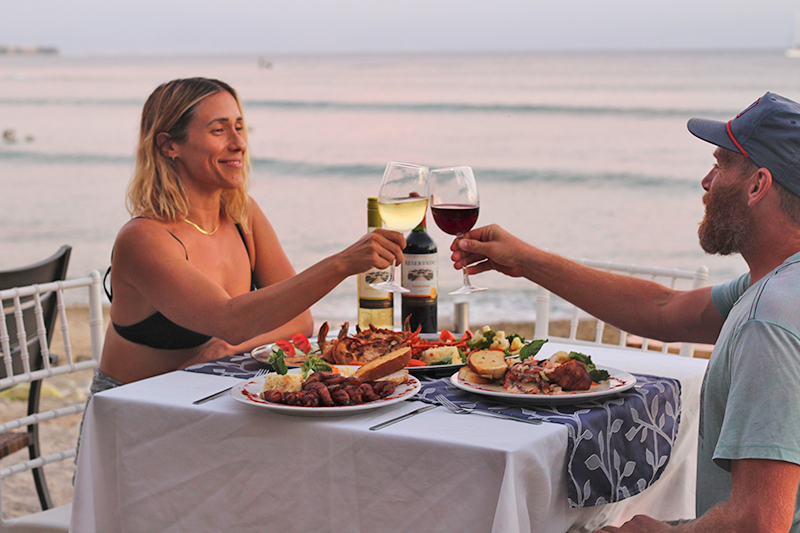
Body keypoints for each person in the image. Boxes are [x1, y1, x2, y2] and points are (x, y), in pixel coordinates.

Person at [451, 92, 800, 532]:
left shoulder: (767, 321)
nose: (706, 181)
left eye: (722, 163)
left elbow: (759, 522)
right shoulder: (773, 288)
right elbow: (663, 309)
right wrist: (526, 261)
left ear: (757, 185)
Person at [97, 77, 405, 387]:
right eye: (219, 130)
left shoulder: (241, 214)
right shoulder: (143, 239)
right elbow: (229, 320)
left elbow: (299, 320)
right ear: (169, 146)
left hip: (210, 393)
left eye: (239, 128)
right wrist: (342, 263)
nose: (239, 143)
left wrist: (227, 348)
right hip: (134, 407)